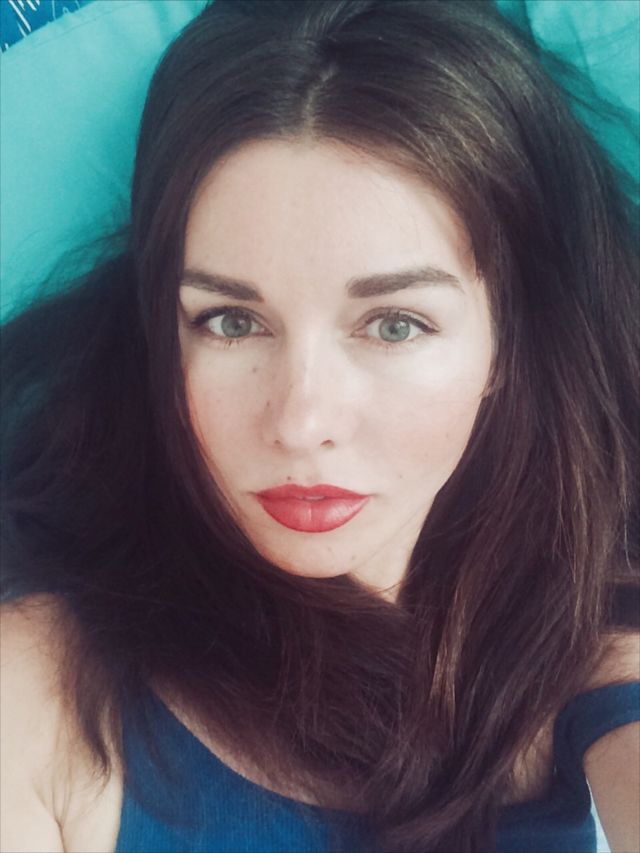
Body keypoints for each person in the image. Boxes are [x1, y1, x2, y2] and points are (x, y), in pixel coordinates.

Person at [1, 1, 638, 851]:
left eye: (395, 324)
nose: (300, 423)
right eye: (231, 321)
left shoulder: (589, 626)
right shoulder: (41, 695)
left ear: (510, 345)